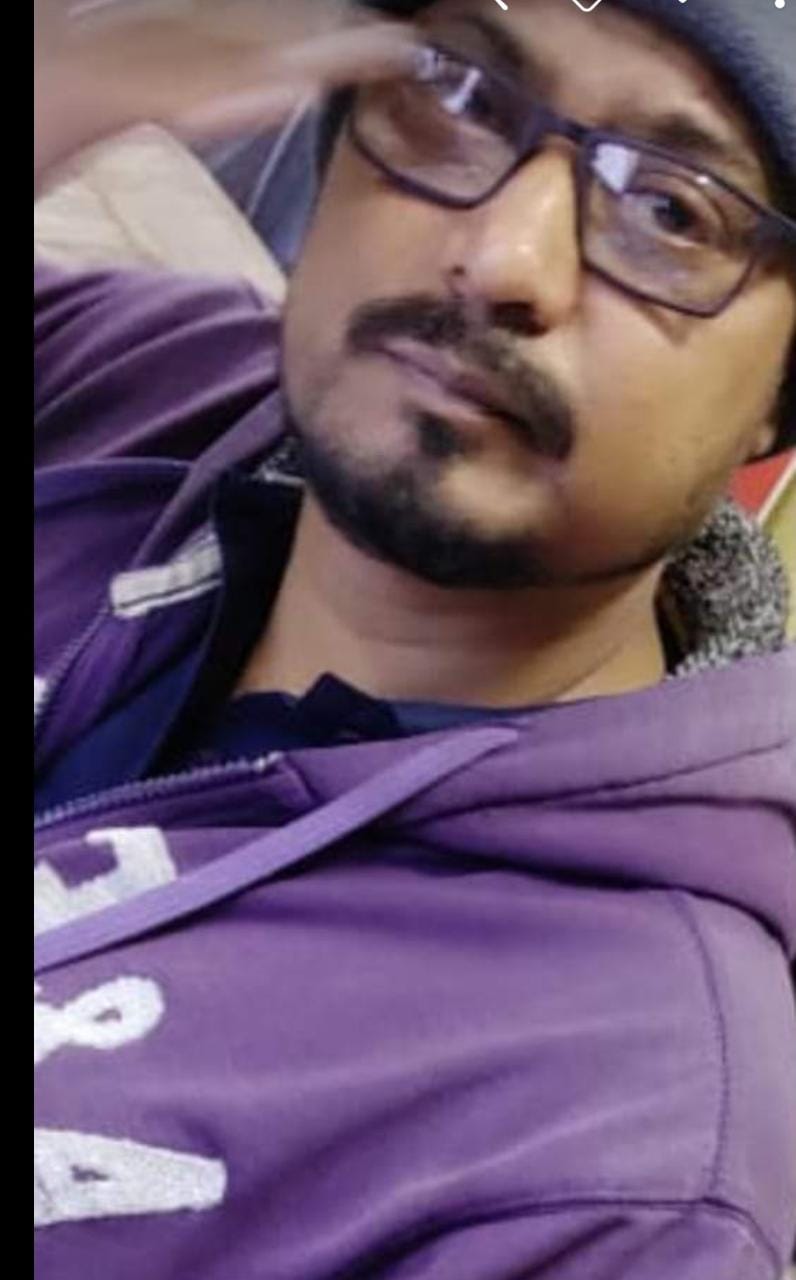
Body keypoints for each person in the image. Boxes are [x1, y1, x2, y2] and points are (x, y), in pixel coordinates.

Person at [34, 1, 796, 1276]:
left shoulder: (622, 1178)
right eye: (459, 98)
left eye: (672, 211)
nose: (502, 257)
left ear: (777, 396)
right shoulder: (148, 388)